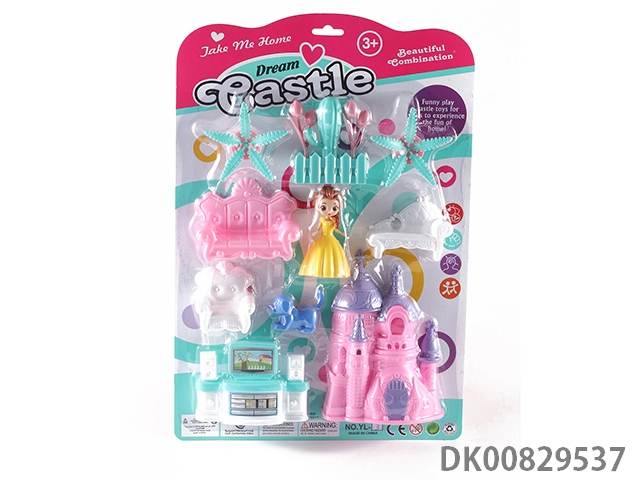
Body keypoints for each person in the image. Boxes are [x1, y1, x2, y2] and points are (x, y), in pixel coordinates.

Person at [299, 185, 350, 278]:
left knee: (333, 255)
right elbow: (318, 229)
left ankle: (333, 272)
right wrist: (314, 233)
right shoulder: (322, 220)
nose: (329, 211)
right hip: (322, 239)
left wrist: (342, 233)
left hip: (331, 239)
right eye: (323, 207)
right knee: (318, 255)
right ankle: (317, 271)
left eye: (334, 208)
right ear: (317, 206)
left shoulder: (333, 221)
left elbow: (336, 230)